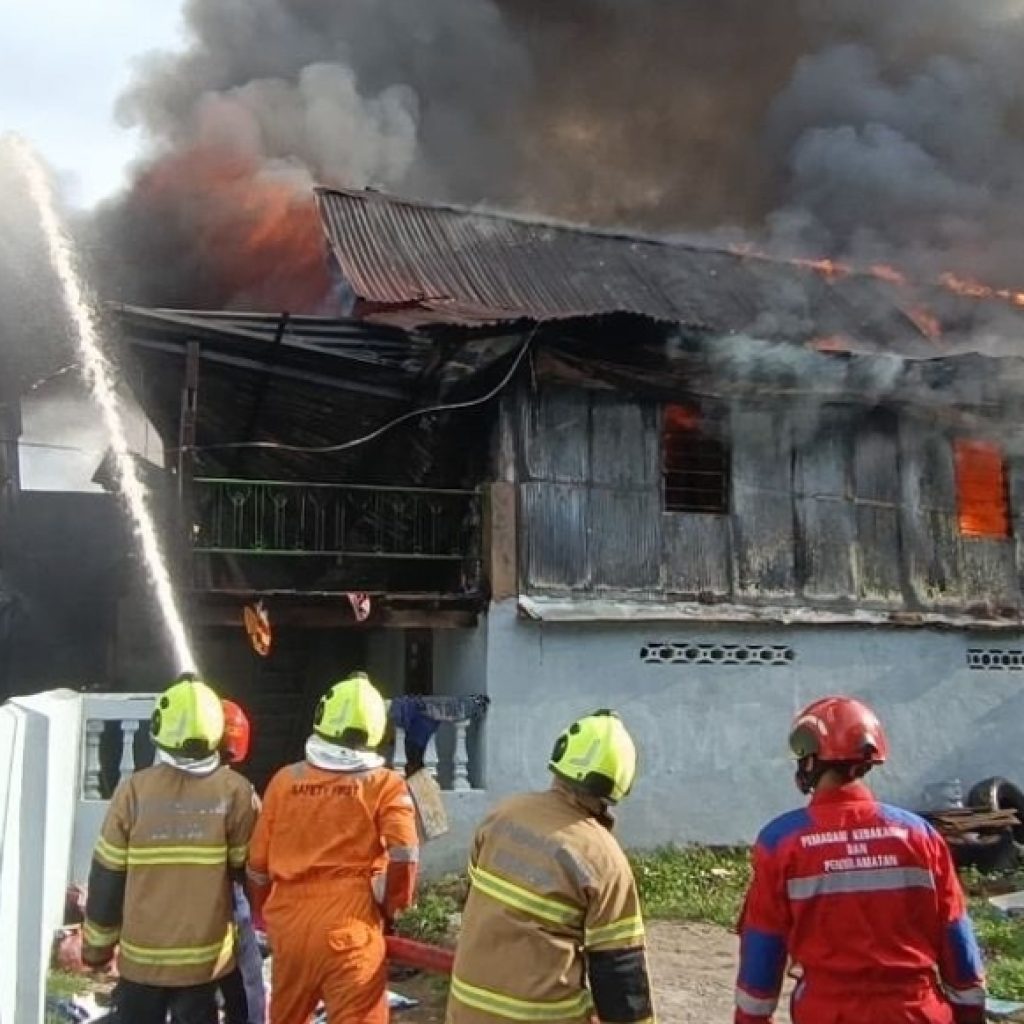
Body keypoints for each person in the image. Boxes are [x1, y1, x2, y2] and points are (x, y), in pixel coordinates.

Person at [735, 695, 987, 1024]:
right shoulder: (920, 836)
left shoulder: (781, 841)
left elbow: (763, 947)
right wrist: (970, 1013)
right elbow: (956, 936)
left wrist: (750, 1019)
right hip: (917, 1013)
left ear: (812, 758)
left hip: (828, 1013)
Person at [446, 709, 656, 1024]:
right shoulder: (605, 860)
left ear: (560, 754)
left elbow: (473, 901)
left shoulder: (501, 817)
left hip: (465, 1010)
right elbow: (619, 973)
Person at [81, 674, 260, 1024]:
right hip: (203, 966)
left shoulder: (132, 791)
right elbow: (246, 870)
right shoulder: (236, 791)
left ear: (160, 727)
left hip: (140, 963)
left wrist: (96, 951)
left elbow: (107, 878)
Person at [246, 671, 419, 1024]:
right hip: (351, 926)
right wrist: (394, 904)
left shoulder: (285, 780)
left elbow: (257, 866)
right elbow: (404, 851)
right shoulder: (385, 785)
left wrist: (266, 917)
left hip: (290, 928)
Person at [215, 699, 267, 1024]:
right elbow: (251, 861)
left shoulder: (145, 788)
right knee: (247, 984)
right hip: (226, 904)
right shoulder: (241, 792)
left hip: (161, 911)